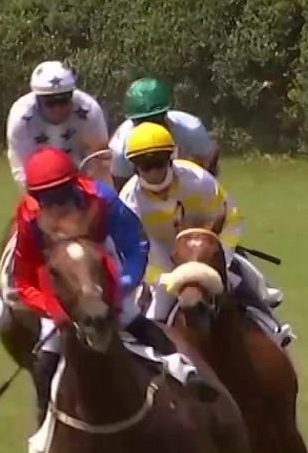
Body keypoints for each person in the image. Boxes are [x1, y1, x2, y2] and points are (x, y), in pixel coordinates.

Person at [5, 147, 216, 453]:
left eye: (62, 193)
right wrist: (54, 310)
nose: (56, 203)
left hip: (103, 266)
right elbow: (24, 278)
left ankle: (186, 374)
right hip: (59, 282)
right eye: (46, 197)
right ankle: (46, 422)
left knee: (134, 320)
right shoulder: (28, 215)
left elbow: (135, 244)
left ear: (74, 184)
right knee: (47, 353)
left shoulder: (102, 198)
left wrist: (123, 286)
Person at [117, 122, 289, 340]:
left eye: (159, 163)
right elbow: (133, 248)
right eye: (145, 166)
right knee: (155, 311)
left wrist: (221, 257)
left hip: (207, 243)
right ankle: (159, 354)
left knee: (243, 281)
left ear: (171, 158)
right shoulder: (129, 200)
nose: (154, 172)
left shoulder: (198, 180)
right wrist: (160, 279)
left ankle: (273, 329)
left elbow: (230, 216)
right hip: (161, 253)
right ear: (134, 167)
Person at [5, 61, 112, 191]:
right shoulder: (21, 118)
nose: (58, 109)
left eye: (64, 100)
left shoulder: (89, 110)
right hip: (41, 182)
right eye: (50, 103)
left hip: (82, 179)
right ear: (38, 100)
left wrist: (93, 197)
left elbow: (99, 159)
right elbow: (21, 169)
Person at [108, 77, 219, 189]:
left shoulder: (191, 130)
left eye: (155, 119)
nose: (150, 126)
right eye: (142, 121)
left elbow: (210, 160)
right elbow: (121, 192)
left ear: (166, 114)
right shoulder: (120, 148)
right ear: (132, 121)